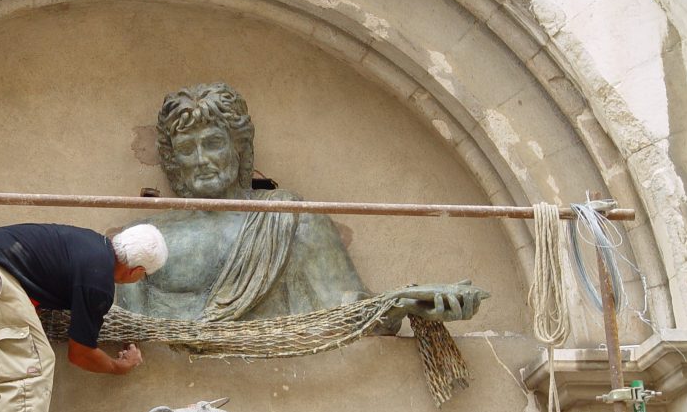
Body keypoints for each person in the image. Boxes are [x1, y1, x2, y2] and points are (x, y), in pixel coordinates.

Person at [115, 82, 485, 331]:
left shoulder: (290, 219)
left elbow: (344, 309)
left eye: (213, 143)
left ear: (239, 148)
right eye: (185, 149)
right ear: (172, 161)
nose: (201, 159)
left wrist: (405, 303)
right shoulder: (144, 238)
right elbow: (124, 333)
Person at [0, 223, 168, 412]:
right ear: (136, 271)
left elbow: (29, 281)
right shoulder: (99, 278)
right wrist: (119, 367)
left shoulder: (86, 245)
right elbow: (80, 353)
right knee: (30, 373)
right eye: (144, 276)